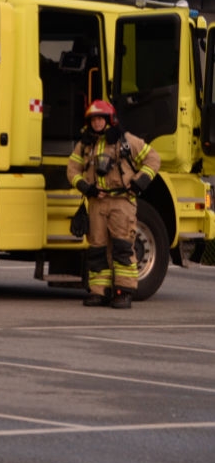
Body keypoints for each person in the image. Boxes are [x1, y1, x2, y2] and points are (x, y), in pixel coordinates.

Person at [66, 99, 159, 309]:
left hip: (121, 202)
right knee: (97, 249)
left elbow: (153, 159)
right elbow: (71, 170)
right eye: (93, 120)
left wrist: (139, 183)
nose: (97, 123)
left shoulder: (126, 141)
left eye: (100, 119)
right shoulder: (85, 145)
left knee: (123, 247)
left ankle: (123, 292)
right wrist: (86, 188)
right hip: (96, 203)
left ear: (110, 120)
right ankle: (99, 292)